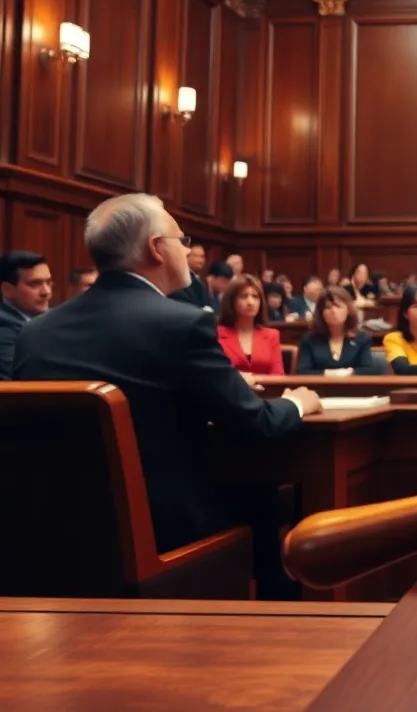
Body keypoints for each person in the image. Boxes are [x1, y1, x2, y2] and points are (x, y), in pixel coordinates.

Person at [14, 193, 321, 553]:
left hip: (48, 537)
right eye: (183, 241)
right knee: (269, 499)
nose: (188, 253)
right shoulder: (182, 324)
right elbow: (255, 424)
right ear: (156, 249)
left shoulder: (36, 332)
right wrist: (297, 403)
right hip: (161, 536)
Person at [296, 287, 380, 376]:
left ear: (348, 310)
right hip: (319, 388)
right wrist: (329, 374)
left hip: (353, 388)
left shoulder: (362, 338)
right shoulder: (309, 339)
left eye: (338, 306)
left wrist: (348, 373)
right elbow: (302, 371)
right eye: (328, 307)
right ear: (321, 313)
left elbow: (369, 369)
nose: (333, 311)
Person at [215, 274, 285, 376]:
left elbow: (278, 374)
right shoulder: (217, 334)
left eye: (255, 297)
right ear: (232, 301)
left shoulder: (272, 335)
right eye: (244, 296)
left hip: (265, 390)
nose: (250, 302)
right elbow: (214, 373)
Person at [0, 251, 53, 380]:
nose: (46, 292)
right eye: (35, 284)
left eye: (48, 282)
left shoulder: (54, 318)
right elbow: (23, 382)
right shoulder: (3, 330)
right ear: (7, 290)